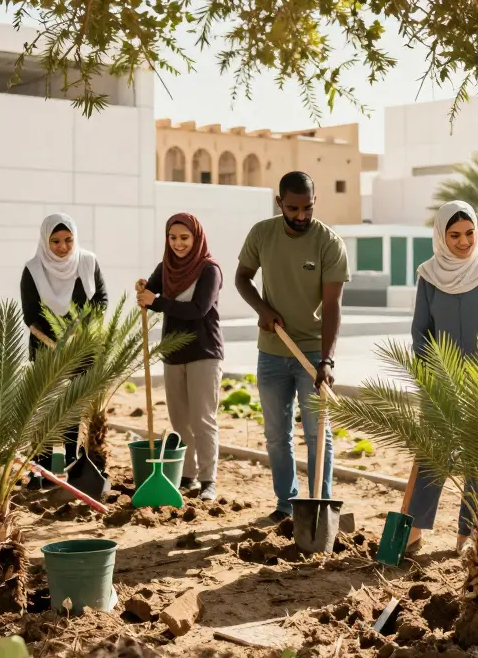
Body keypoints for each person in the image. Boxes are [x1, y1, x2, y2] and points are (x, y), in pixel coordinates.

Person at [405, 201, 478, 554]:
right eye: (454, 235)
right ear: (441, 236)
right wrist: (432, 377)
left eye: (469, 233)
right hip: (442, 384)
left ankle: (467, 536)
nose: (464, 241)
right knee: (433, 454)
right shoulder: (429, 275)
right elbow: (421, 333)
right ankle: (413, 529)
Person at [235, 171, 349, 523]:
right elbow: (242, 277)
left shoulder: (329, 243)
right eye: (294, 208)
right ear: (280, 203)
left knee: (318, 433)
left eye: (308, 208)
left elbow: (332, 306)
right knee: (275, 434)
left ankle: (320, 507)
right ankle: (286, 505)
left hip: (312, 353)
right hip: (272, 350)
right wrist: (262, 308)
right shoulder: (262, 234)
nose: (302, 216)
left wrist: (327, 360)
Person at [137, 213, 224, 501]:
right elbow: (148, 296)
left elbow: (197, 310)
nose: (178, 243)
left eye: (184, 238)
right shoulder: (166, 267)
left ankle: (208, 480)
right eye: (172, 238)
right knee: (180, 420)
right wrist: (144, 292)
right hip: (173, 353)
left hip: (204, 353)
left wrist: (157, 301)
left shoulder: (209, 270)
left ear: (196, 237)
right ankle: (187, 477)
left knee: (202, 419)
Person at [20, 213, 107, 480]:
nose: (63, 247)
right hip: (47, 350)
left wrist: (80, 335)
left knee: (74, 406)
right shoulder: (33, 269)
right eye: (55, 241)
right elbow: (30, 314)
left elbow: (101, 300)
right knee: (46, 406)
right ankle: (42, 469)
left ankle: (74, 462)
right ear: (46, 241)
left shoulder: (88, 262)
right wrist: (56, 343)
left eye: (68, 240)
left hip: (82, 349)